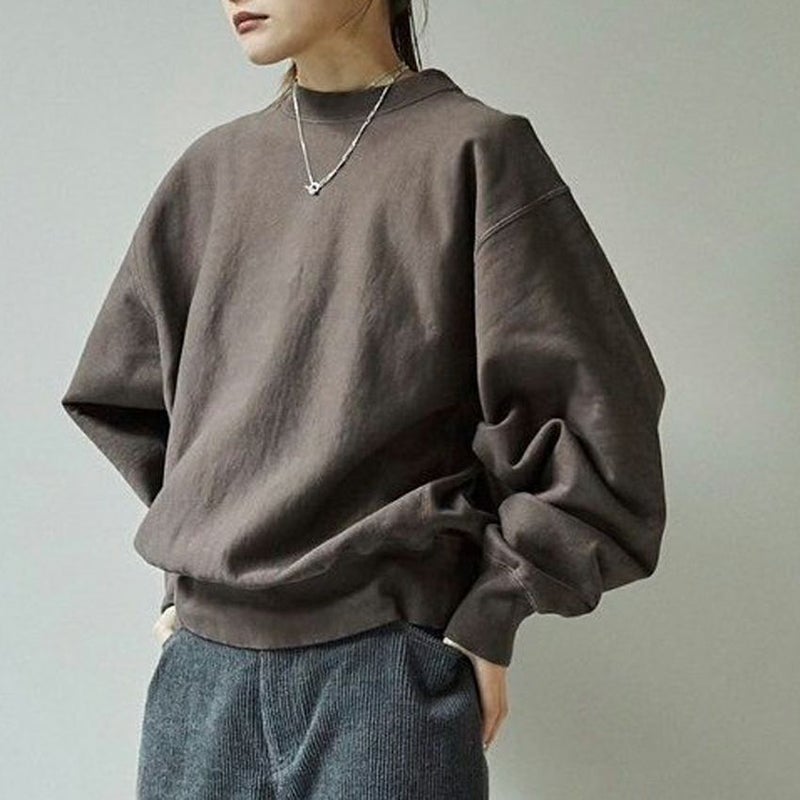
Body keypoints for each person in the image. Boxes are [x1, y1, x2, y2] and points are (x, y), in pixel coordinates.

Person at [60, 1, 668, 798]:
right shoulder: (213, 171)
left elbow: (599, 418)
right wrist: (196, 568)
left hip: (385, 678)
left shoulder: (475, 153)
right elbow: (132, 396)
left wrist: (494, 608)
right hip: (200, 684)